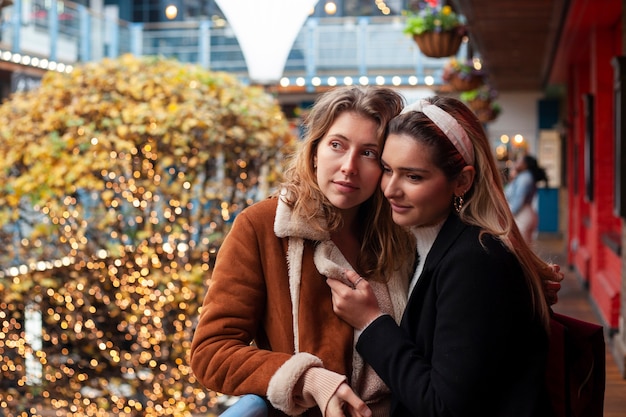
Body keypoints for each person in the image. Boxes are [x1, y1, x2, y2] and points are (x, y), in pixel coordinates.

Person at [190, 85, 417, 417]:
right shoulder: (262, 226)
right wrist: (306, 378)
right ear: (314, 151)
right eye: (337, 145)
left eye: (368, 153)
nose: (349, 166)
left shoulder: (401, 235)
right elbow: (211, 353)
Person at [327, 97, 556, 417]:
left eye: (413, 177)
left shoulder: (475, 262)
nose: (390, 189)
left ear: (462, 181)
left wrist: (371, 323)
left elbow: (443, 406)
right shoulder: (430, 247)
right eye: (388, 169)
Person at [505, 153, 548, 243]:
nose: (516, 163)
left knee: (520, 249)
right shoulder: (525, 177)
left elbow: (519, 199)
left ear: (525, 165)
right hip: (527, 213)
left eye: (519, 161)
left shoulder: (524, 178)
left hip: (522, 215)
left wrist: (508, 215)